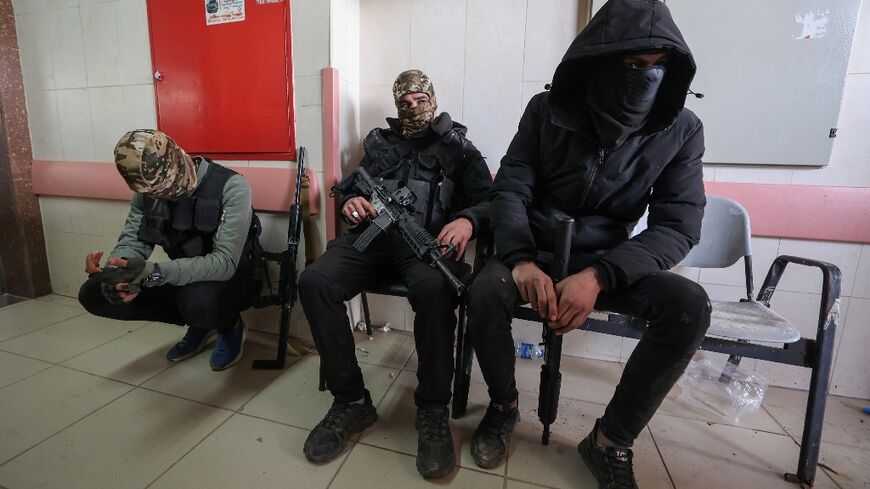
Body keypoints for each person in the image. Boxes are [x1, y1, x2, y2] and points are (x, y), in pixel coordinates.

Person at [465, 1, 711, 487]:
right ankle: (503, 405)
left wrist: (600, 276)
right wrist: (517, 260)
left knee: (688, 306)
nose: (648, 78)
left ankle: (609, 442)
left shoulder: (682, 130)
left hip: (606, 259)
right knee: (483, 291)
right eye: (634, 65)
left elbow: (677, 227)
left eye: (660, 66)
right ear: (601, 60)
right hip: (533, 248)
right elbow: (511, 188)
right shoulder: (546, 110)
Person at [299, 70, 492, 479]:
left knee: (436, 290)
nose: (412, 106)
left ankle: (433, 409)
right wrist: (352, 201)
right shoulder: (380, 145)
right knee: (315, 281)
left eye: (420, 98)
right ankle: (351, 401)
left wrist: (468, 222)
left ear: (433, 99)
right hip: (372, 240)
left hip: (424, 247)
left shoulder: (459, 149)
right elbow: (352, 187)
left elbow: (490, 202)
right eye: (404, 101)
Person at [78, 129, 259, 371]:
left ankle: (229, 326)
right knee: (95, 293)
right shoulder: (146, 192)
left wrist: (154, 273)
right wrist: (117, 273)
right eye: (151, 191)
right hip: (182, 275)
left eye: (163, 187)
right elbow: (133, 240)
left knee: (196, 300)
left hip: (229, 279)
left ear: (178, 158)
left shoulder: (233, 186)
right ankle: (200, 324)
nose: (159, 195)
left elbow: (224, 263)